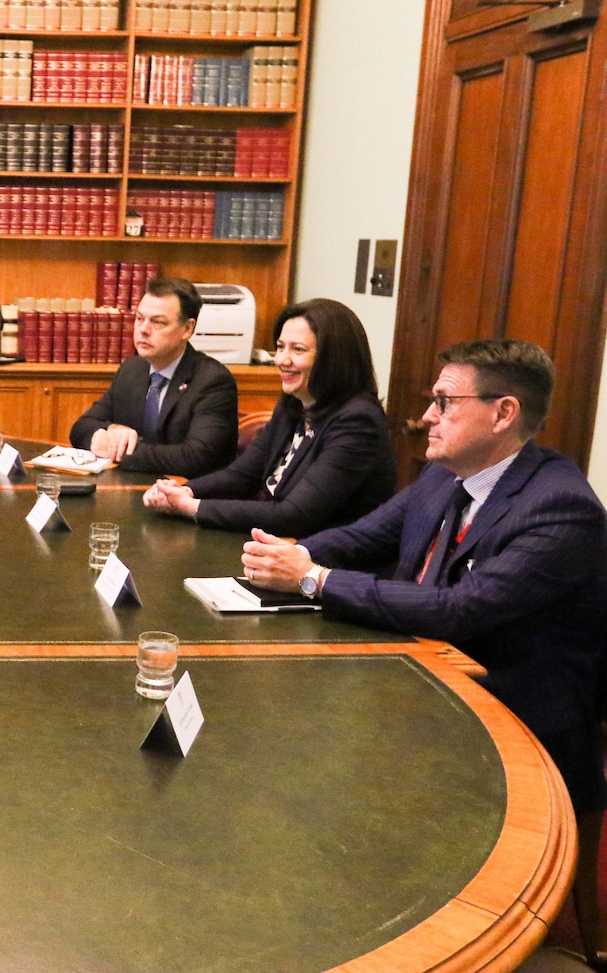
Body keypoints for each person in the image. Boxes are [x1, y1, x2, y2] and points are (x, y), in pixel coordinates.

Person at [240, 338, 607, 967]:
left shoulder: (560, 507)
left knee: (308, 766)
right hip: (425, 684)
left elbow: (464, 610)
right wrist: (275, 555)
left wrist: (311, 578)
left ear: (502, 413)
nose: (426, 417)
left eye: (444, 402)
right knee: (275, 741)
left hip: (515, 722)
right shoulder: (446, 475)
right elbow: (361, 538)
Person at [142, 298, 394, 535]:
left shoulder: (358, 422)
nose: (282, 360)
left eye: (298, 350)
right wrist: (182, 490)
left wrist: (190, 507)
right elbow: (242, 475)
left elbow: (294, 516)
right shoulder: (294, 404)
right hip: (275, 543)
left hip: (324, 563)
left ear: (333, 358)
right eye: (280, 347)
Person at [69, 277, 238, 477]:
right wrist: (111, 429)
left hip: (190, 497)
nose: (143, 330)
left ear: (187, 329)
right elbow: (81, 427)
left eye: (158, 322)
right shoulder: (132, 369)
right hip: (132, 491)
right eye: (140, 318)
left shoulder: (212, 381)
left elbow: (195, 457)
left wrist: (121, 451)